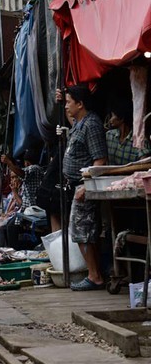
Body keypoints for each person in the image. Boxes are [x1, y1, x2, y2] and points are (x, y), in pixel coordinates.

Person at [57, 85, 108, 291]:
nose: (67, 106)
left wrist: (86, 186)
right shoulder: (81, 122)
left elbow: (100, 160)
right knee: (83, 233)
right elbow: (71, 118)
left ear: (80, 103)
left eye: (70, 102)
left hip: (84, 187)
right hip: (77, 186)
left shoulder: (92, 124)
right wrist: (62, 102)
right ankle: (94, 274)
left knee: (83, 233)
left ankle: (95, 276)